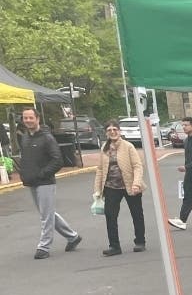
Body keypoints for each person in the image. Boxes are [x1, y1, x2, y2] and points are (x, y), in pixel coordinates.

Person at [19, 107, 82, 260]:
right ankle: (72, 237)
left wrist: (42, 174)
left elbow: (57, 160)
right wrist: (24, 174)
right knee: (46, 213)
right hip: (31, 182)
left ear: (37, 119)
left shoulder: (47, 138)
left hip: (45, 182)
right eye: (25, 118)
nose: (28, 120)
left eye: (30, 118)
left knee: (46, 216)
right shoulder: (25, 137)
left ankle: (44, 246)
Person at [93, 120, 146, 257]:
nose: (112, 132)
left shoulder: (128, 146)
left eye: (115, 129)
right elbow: (100, 169)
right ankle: (114, 246)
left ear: (119, 131)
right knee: (110, 215)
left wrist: (136, 183)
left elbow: (137, 166)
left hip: (129, 185)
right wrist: (98, 189)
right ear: (106, 133)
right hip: (111, 187)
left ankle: (140, 241)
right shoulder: (104, 147)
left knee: (136, 214)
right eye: (109, 130)